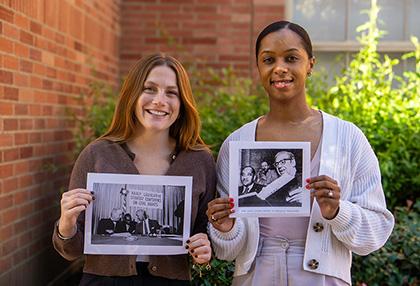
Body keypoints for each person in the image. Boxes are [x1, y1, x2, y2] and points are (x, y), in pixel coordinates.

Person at [206, 21, 394, 286]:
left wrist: (337, 212)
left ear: (310, 65)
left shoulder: (347, 138)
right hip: (255, 277)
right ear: (258, 67)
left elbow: (376, 231)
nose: (280, 68)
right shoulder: (236, 143)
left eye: (292, 58)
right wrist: (225, 228)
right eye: (268, 59)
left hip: (324, 279)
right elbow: (228, 251)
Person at [53, 53, 216, 285]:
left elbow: (207, 230)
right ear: (132, 95)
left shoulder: (199, 161)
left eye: (171, 92)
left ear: (182, 103)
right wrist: (66, 223)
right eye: (149, 89)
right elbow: (71, 250)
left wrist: (205, 247)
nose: (160, 100)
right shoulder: (97, 154)